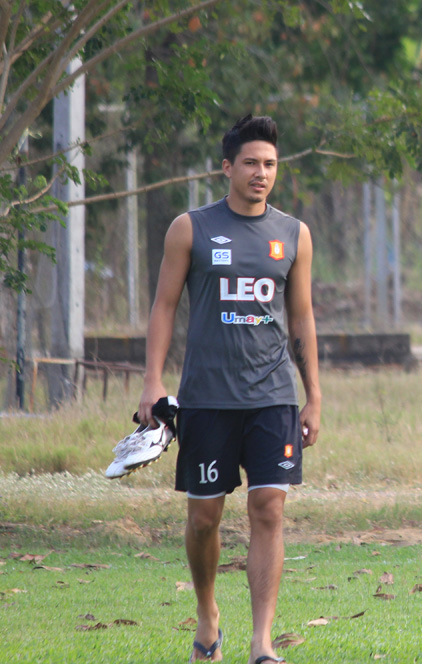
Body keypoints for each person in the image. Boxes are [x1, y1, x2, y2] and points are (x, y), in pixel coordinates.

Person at [138, 114, 321, 664]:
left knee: (268, 509)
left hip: (274, 397)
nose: (261, 173)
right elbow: (164, 306)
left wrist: (313, 394)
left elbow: (302, 317)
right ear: (227, 167)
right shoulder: (190, 229)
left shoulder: (294, 234)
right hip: (207, 397)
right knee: (203, 519)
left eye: (270, 164)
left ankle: (262, 641)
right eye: (250, 163)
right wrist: (152, 382)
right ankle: (207, 614)